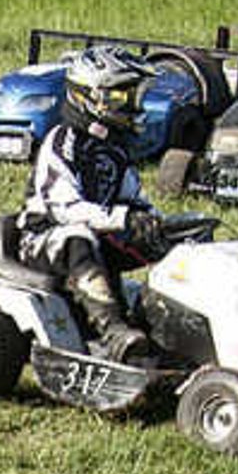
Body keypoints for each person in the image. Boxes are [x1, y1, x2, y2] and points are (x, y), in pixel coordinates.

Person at [18, 44, 168, 359]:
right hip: (42, 240)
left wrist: (156, 224)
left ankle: (168, 329)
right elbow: (65, 208)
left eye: (135, 96)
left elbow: (134, 200)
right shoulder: (62, 141)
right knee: (78, 236)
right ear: (93, 97)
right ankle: (113, 333)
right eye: (124, 97)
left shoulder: (115, 151)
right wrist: (120, 219)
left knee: (170, 243)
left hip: (96, 236)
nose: (133, 105)